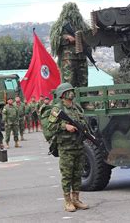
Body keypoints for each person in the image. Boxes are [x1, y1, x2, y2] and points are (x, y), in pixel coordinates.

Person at [48, 83, 89, 212]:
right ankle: (68, 201)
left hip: (78, 146)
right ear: (62, 94)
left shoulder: (76, 107)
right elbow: (50, 127)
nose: (71, 93)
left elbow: (84, 122)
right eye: (68, 91)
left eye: (72, 90)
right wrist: (65, 126)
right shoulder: (57, 109)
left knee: (77, 174)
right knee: (67, 175)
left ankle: (76, 199)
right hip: (66, 148)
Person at [50, 2, 90, 88]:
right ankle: (69, 101)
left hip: (82, 57)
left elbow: (90, 38)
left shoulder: (82, 25)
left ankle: (83, 101)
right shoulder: (60, 26)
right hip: (68, 58)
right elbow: (54, 39)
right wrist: (66, 38)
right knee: (68, 84)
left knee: (83, 83)